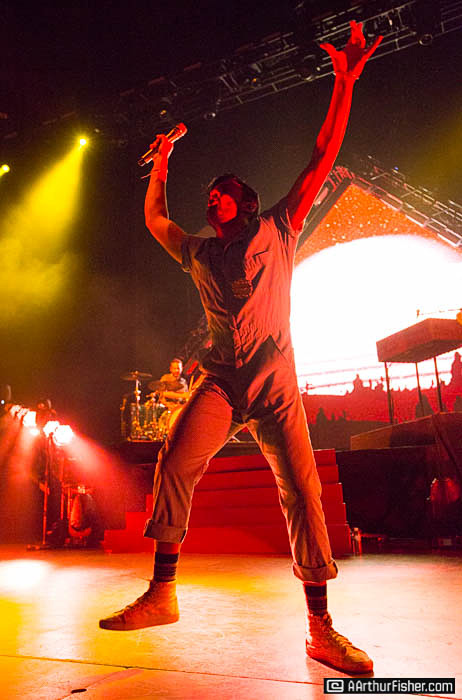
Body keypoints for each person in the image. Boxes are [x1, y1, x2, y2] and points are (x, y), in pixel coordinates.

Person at [100, 21, 382, 674]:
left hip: (274, 383)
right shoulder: (199, 252)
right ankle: (163, 593)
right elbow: (155, 219)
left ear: (246, 202)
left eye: (222, 192)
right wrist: (162, 164)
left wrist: (344, 83)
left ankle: (320, 629)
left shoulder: (280, 226)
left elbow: (321, 154)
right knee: (175, 460)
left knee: (303, 496)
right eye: (209, 194)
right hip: (222, 381)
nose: (212, 198)